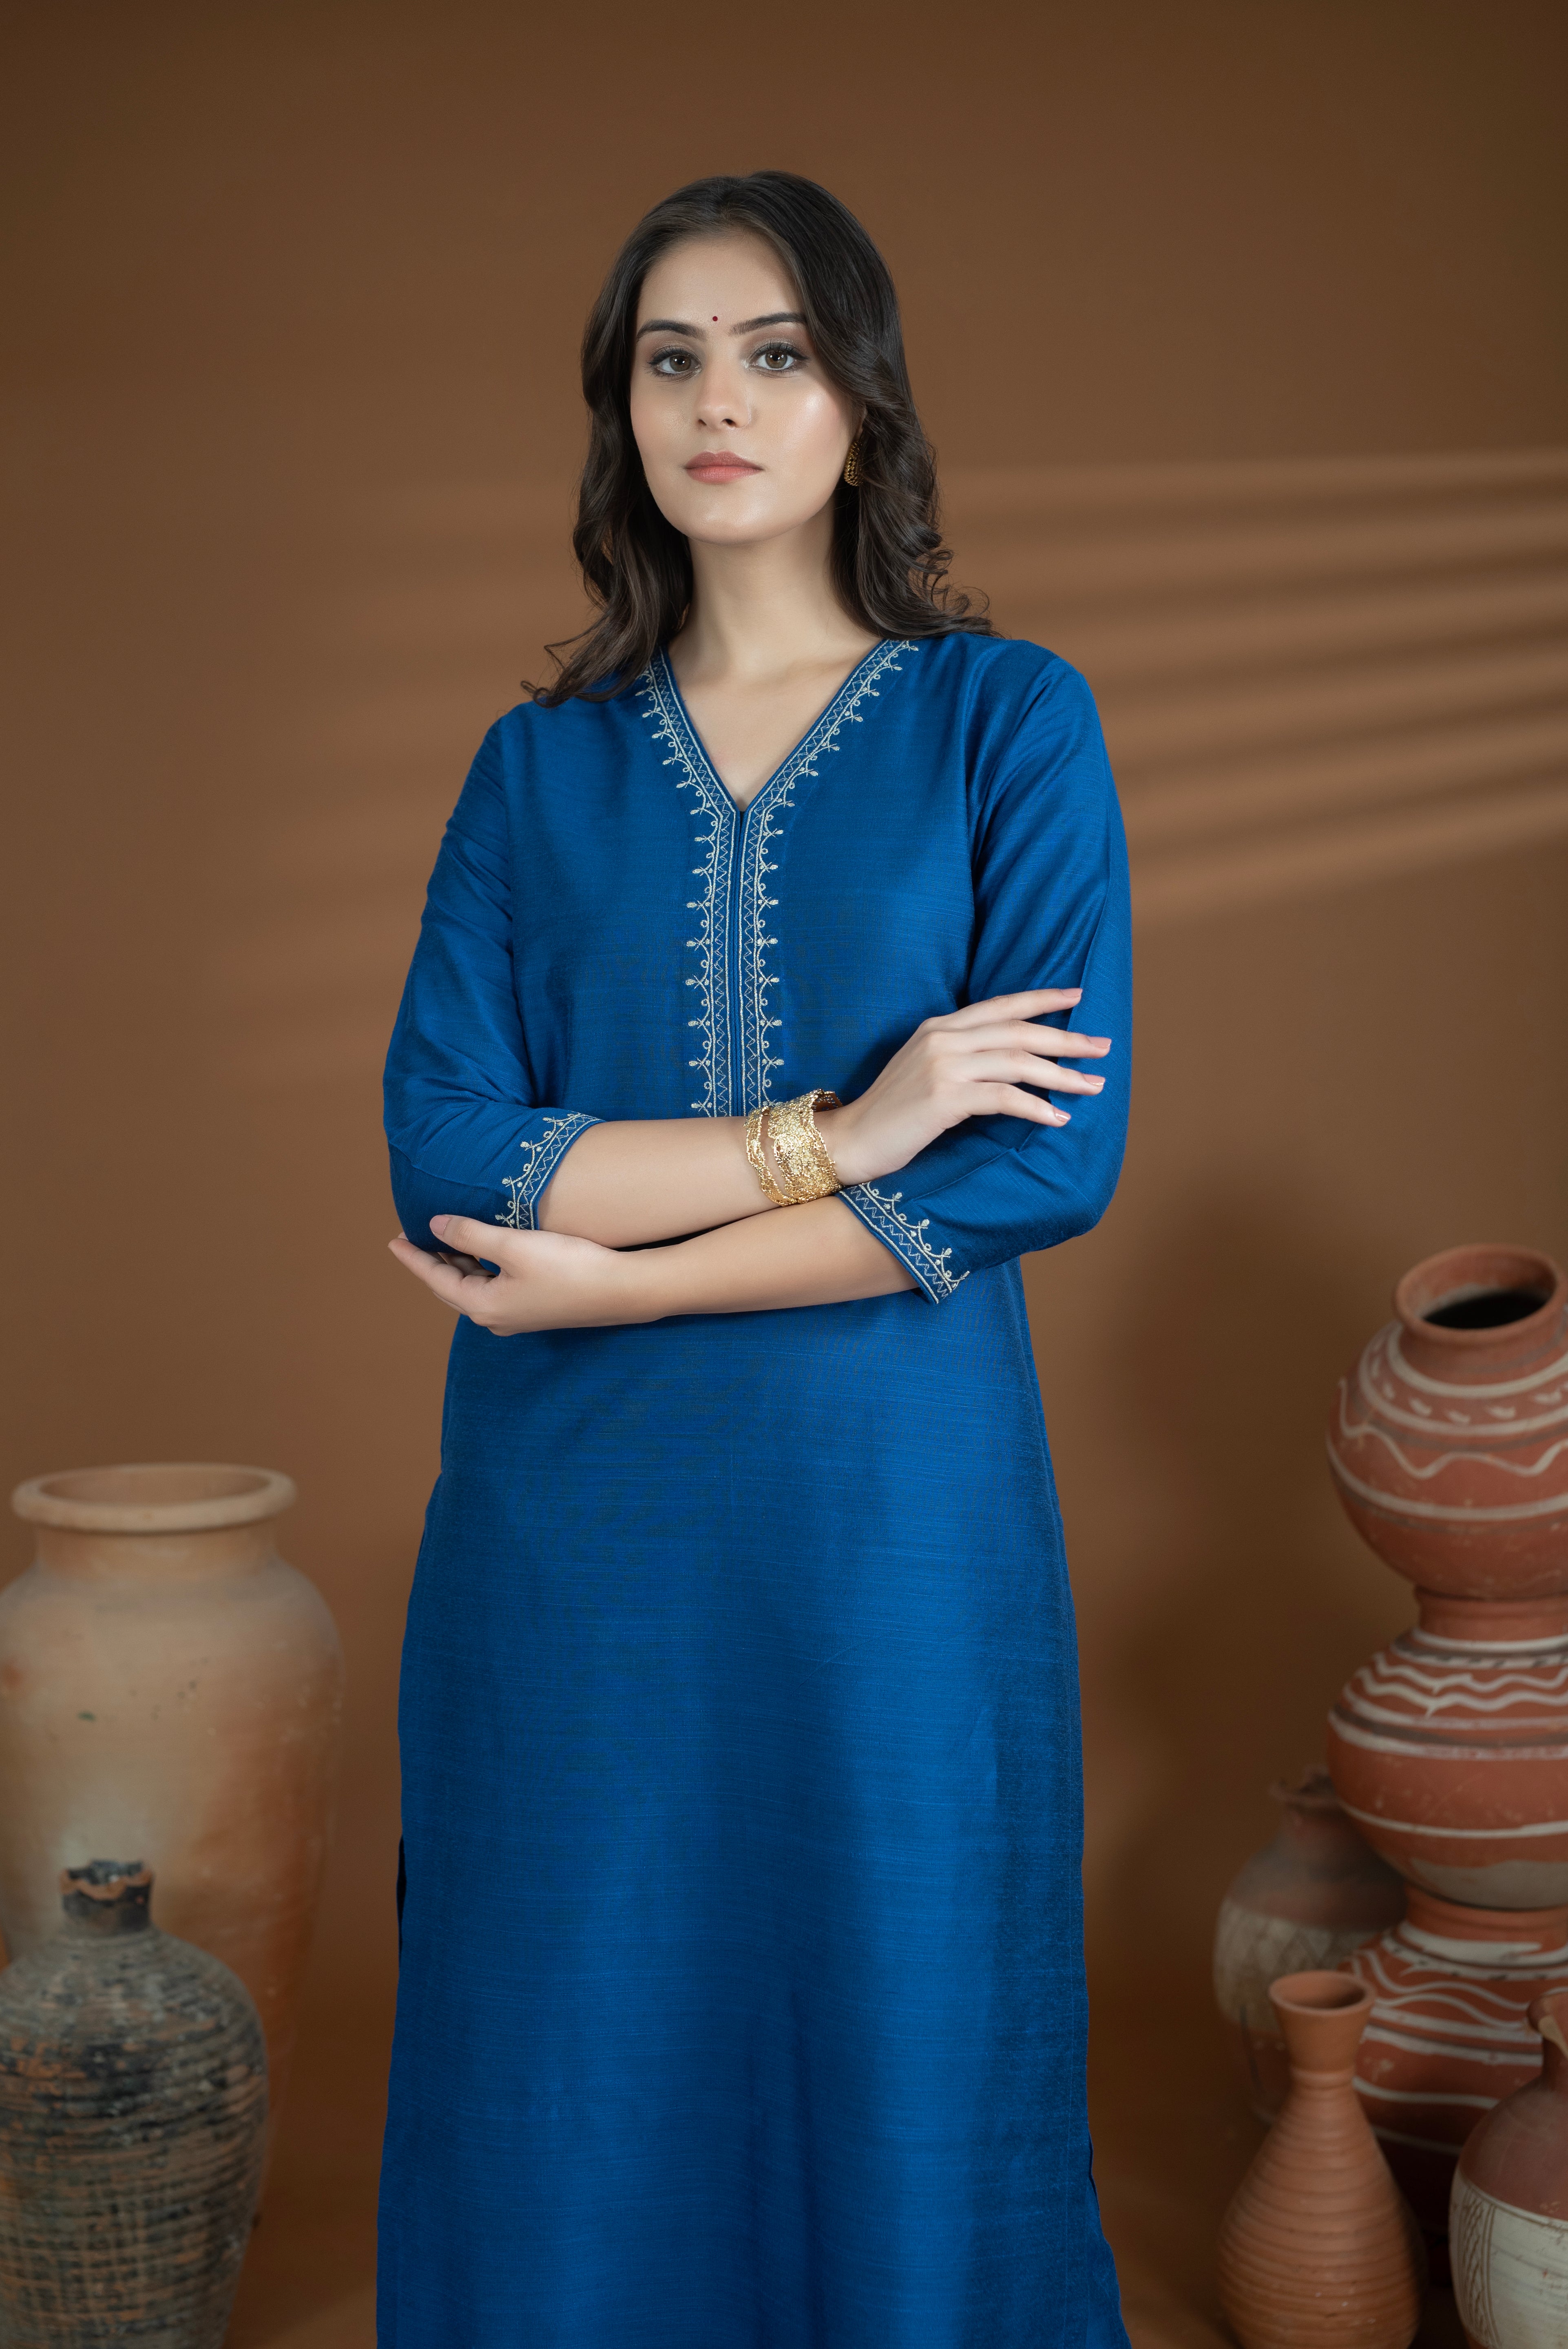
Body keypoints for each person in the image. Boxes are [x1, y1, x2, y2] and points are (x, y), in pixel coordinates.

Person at [380, 169, 1131, 2349]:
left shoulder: (1005, 721)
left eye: (777, 355)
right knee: (566, 2031)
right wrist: (848, 1133)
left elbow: (1039, 1171)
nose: (720, 404)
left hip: (889, 1522)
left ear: (861, 404)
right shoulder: (534, 775)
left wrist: (631, 1271)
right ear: (620, 414)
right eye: (671, 360)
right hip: (573, 1543)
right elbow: (447, 1152)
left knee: (900, 2011)